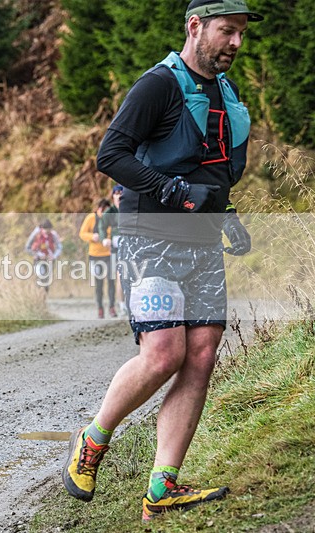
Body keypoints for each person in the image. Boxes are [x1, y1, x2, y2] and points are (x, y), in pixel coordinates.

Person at [61, 0, 259, 521]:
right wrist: (171, 190)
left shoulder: (224, 91)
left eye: (241, 33)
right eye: (227, 32)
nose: (236, 43)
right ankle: (93, 440)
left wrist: (227, 213)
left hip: (203, 238)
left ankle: (162, 486)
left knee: (202, 354)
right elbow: (111, 155)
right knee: (164, 353)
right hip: (150, 235)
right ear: (196, 27)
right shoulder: (158, 86)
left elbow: (210, 171)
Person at [79, 199, 116, 318]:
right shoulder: (91, 218)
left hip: (109, 254)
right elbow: (82, 233)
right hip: (95, 255)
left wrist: (111, 240)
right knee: (98, 283)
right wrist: (92, 236)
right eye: (104, 210)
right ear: (99, 209)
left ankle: (112, 307)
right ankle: (100, 308)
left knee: (111, 281)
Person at [99, 184, 126, 313]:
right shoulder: (110, 212)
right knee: (120, 276)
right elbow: (101, 227)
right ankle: (122, 304)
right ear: (113, 196)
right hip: (117, 249)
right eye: (117, 194)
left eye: (122, 193)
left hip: (133, 246)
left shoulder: (131, 208)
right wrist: (104, 238)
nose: (119, 196)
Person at [24, 219, 62, 289]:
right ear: (42, 228)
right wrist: (37, 255)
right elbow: (27, 248)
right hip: (38, 260)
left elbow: (59, 247)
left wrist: (54, 256)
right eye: (46, 230)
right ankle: (38, 295)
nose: (48, 232)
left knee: (47, 280)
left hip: (49, 260)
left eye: (49, 230)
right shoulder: (36, 234)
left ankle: (44, 297)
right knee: (41, 276)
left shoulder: (53, 234)